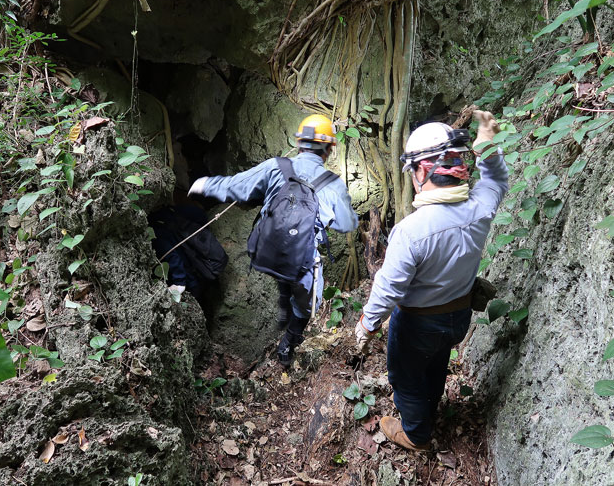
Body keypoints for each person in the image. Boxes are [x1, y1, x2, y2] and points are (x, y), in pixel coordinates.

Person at [354, 110, 508, 450]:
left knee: (406, 378)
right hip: (458, 317)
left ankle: (416, 433)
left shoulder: (410, 232)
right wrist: (488, 148)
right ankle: (431, 404)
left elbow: (389, 288)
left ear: (422, 170)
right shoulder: (480, 207)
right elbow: (497, 181)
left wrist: (366, 326)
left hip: (418, 324)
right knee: (437, 361)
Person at [188, 114, 359, 367]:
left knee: (284, 260)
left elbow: (238, 187)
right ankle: (289, 342)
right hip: (301, 260)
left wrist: (205, 184)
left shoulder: (276, 166)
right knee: (308, 297)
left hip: (265, 250)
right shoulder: (332, 183)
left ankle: (283, 300)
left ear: (299, 144)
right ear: (329, 150)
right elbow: (348, 224)